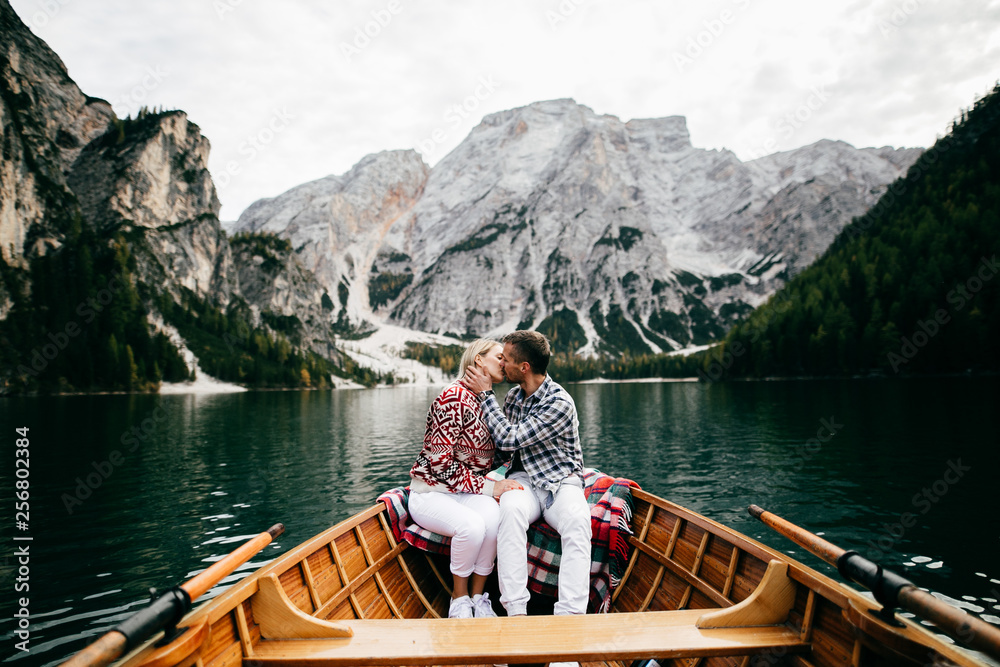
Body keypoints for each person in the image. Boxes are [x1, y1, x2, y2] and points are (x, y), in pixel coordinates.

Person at [464, 330, 591, 626]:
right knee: (509, 511)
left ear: (524, 367)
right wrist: (468, 477)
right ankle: (516, 613)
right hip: (525, 480)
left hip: (561, 482)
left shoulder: (560, 402)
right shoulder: (512, 397)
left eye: (505, 360)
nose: (501, 364)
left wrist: (484, 394)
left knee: (578, 522)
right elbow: (501, 453)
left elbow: (510, 438)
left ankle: (569, 624)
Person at [408, 338, 524, 619]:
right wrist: (490, 486)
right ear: (478, 361)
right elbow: (440, 465)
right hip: (430, 493)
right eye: (499, 356)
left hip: (463, 493)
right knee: (471, 526)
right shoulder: (453, 397)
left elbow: (493, 456)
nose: (504, 362)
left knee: (496, 520)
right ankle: (458, 600)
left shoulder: (484, 400)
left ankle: (478, 598)